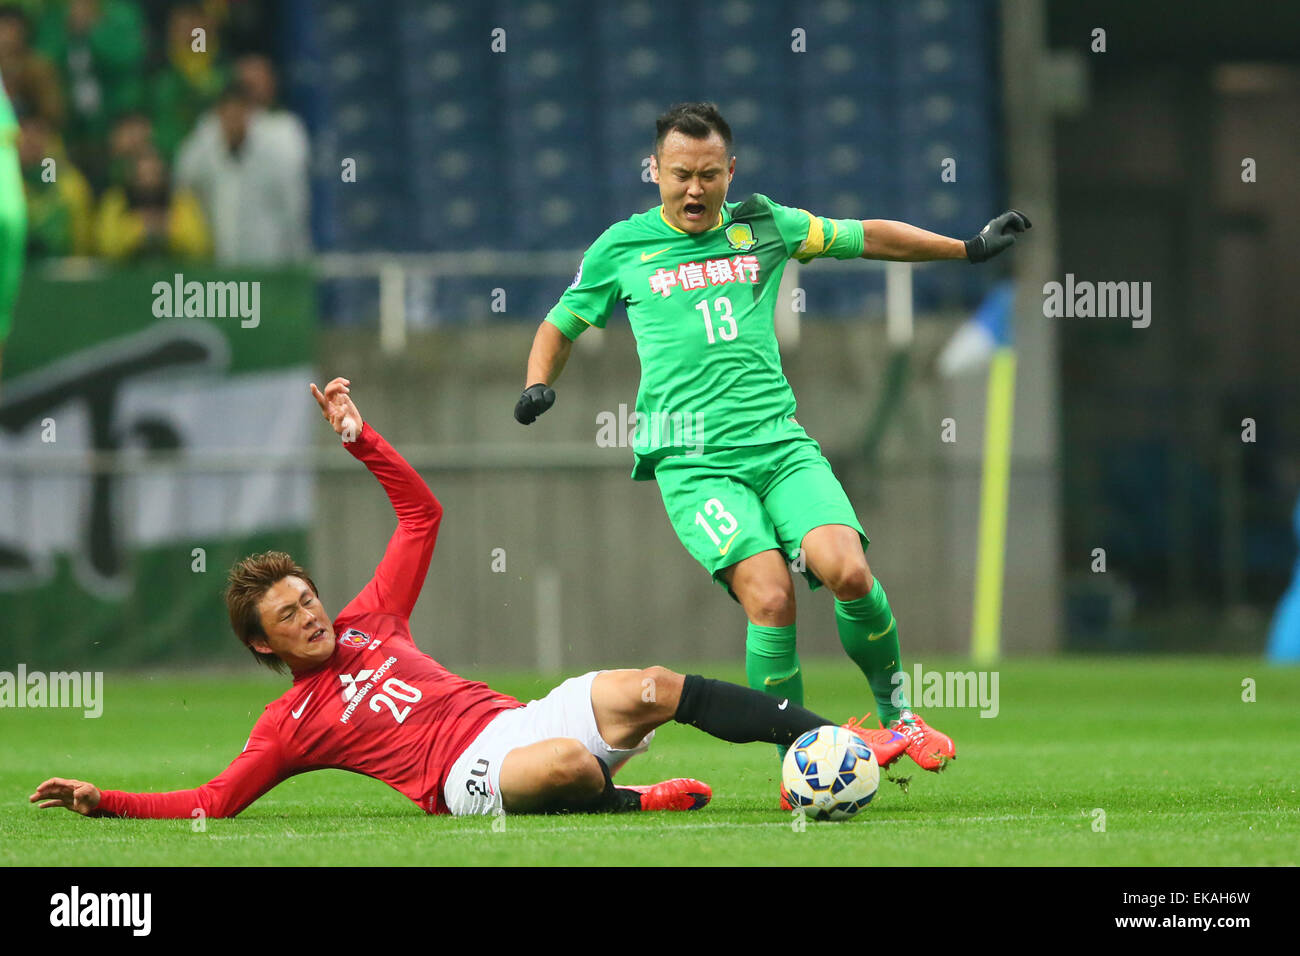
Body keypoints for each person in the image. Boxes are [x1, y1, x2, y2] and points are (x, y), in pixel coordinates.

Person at [31, 377, 908, 820]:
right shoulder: (289, 725)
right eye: (290, 617)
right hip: (467, 778)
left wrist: (360, 437)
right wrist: (101, 800)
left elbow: (422, 512)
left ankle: (827, 735)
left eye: (307, 598)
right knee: (568, 767)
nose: (311, 615)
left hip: (514, 717)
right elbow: (212, 803)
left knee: (655, 685)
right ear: (265, 647)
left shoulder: (368, 619)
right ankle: (635, 805)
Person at [515, 102, 1032, 779]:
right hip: (693, 462)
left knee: (846, 568)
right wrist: (535, 382)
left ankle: (898, 712)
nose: (694, 190)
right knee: (769, 595)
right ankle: (800, 757)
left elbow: (866, 237)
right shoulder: (621, 247)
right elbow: (561, 323)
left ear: (731, 170)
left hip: (780, 446)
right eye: (679, 175)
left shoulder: (764, 224)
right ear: (654, 171)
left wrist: (964, 248)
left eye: (708, 174)